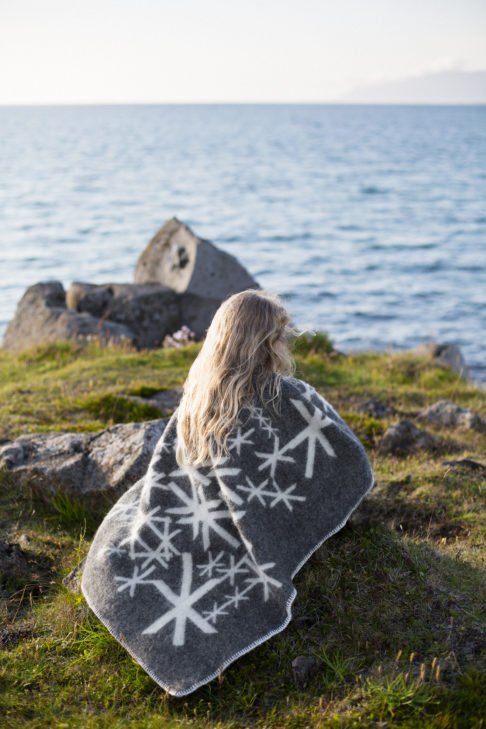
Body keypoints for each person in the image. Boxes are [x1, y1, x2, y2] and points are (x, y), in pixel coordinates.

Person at [81, 289, 374, 697]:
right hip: (231, 534)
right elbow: (347, 462)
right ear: (265, 341)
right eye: (280, 334)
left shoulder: (197, 400)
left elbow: (170, 470)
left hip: (186, 528)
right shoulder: (287, 395)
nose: (285, 342)